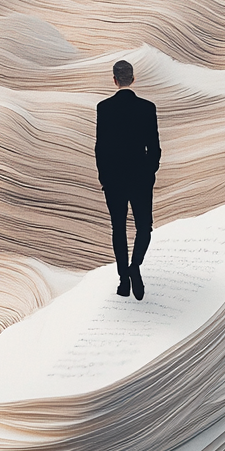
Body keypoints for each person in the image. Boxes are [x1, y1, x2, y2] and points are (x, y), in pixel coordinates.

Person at [95, 59, 161, 300]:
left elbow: (100, 148)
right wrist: (150, 173)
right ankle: (136, 266)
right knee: (144, 226)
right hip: (140, 177)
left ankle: (123, 280)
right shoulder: (147, 107)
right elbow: (154, 147)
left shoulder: (104, 108)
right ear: (133, 79)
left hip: (114, 179)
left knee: (119, 229)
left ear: (114, 80)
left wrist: (104, 177)